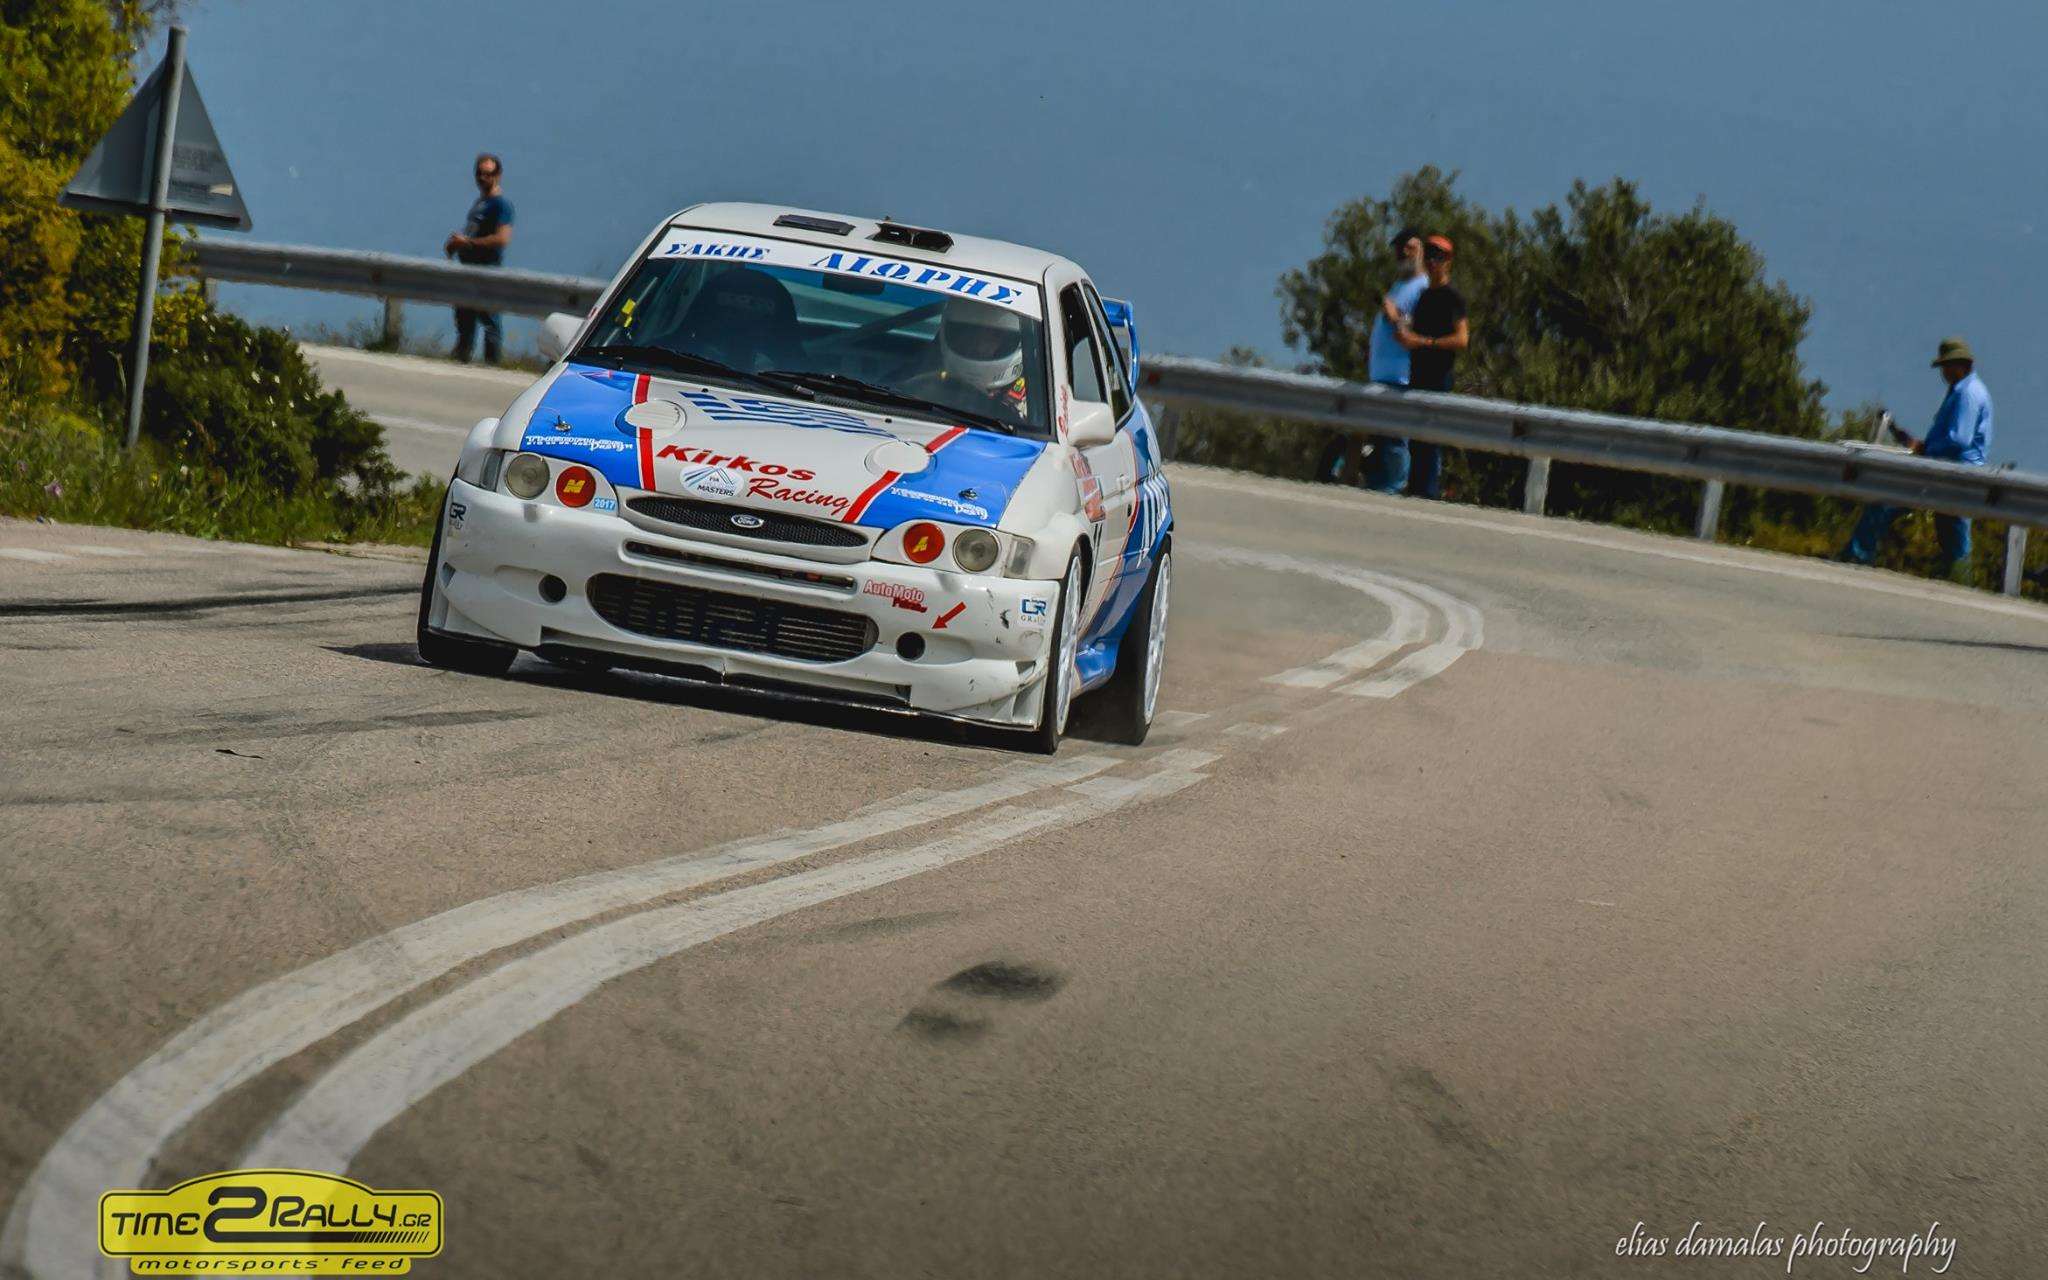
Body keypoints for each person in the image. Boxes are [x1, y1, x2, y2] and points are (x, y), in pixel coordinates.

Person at [1839, 336, 1993, 577]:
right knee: (1952, 528)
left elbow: (1959, 439)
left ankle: (1857, 555)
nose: (1944, 372)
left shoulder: (1967, 394)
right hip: (1956, 470)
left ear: (1960, 365)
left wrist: (1927, 447)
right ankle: (1959, 579)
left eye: (1947, 366)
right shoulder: (1965, 390)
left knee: (1889, 499)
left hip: (1954, 470)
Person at [1341, 228, 1428, 491]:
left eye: (1409, 247)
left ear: (1421, 250)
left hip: (1402, 376)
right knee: (1379, 437)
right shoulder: (1399, 285)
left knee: (1395, 439)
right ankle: (1377, 487)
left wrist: (1396, 316)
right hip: (1381, 374)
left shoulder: (1423, 287)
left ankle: (1392, 489)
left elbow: (1420, 327)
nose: (1403, 253)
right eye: (1399, 248)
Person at [1395, 235, 1470, 498]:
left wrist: (1426, 342)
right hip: (1417, 374)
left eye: (1438, 256)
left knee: (1430, 440)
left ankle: (1427, 495)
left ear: (1448, 262)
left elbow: (1462, 339)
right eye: (1428, 255)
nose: (1431, 261)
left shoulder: (1453, 298)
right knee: (1416, 441)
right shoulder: (1423, 296)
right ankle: (1415, 491)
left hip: (1438, 377)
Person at [444, 153, 514, 364]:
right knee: (464, 321)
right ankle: (460, 361)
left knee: (489, 322)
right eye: (479, 174)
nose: (483, 178)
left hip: (486, 271)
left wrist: (467, 243)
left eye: (488, 174)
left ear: (498, 175)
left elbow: (502, 238)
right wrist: (457, 245)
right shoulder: (480, 203)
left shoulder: (501, 205)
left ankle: (492, 365)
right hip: (468, 271)